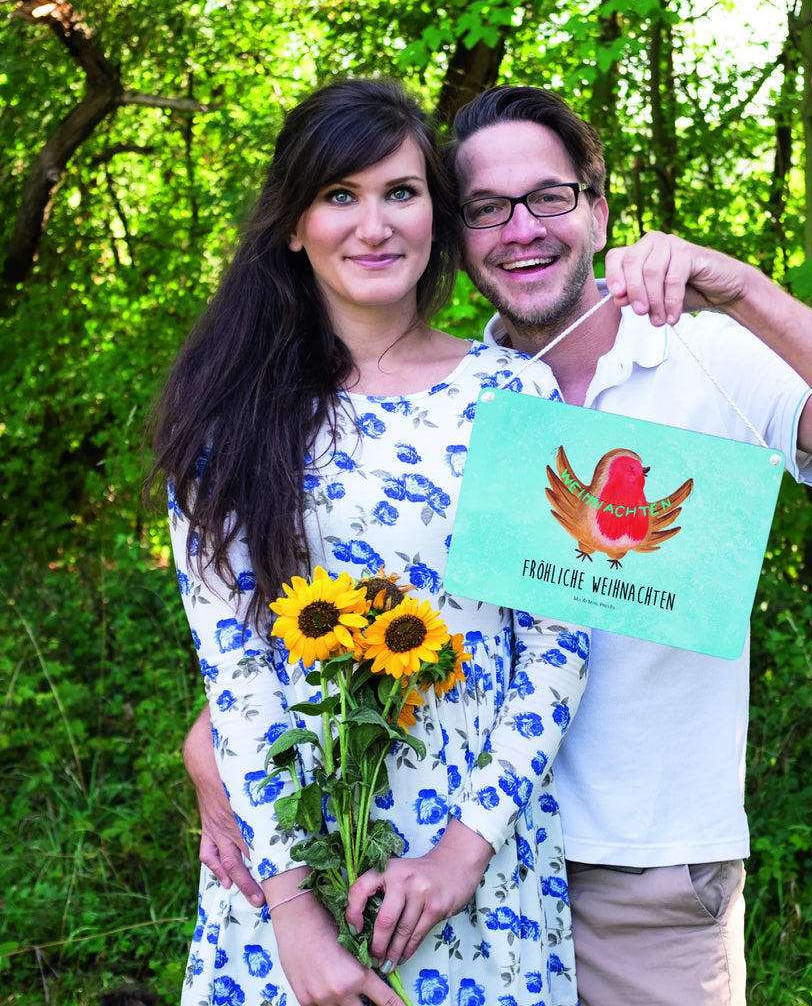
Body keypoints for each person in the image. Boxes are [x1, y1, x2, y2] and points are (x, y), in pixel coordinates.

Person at [185, 84, 812, 1005]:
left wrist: (744, 289)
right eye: (486, 209)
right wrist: (219, 750)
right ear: (458, 233)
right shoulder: (452, 397)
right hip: (410, 857)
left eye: (548, 197)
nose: (520, 229)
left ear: (596, 208)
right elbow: (329, 610)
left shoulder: (693, 355)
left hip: (638, 869)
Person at [149, 79, 592, 1006]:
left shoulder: (515, 398)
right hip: (287, 869)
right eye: (339, 196)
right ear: (292, 225)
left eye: (400, 192)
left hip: (476, 869)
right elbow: (236, 674)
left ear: (436, 210)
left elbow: (557, 644)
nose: (374, 224)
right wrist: (296, 919)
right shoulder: (227, 420)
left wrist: (462, 854)